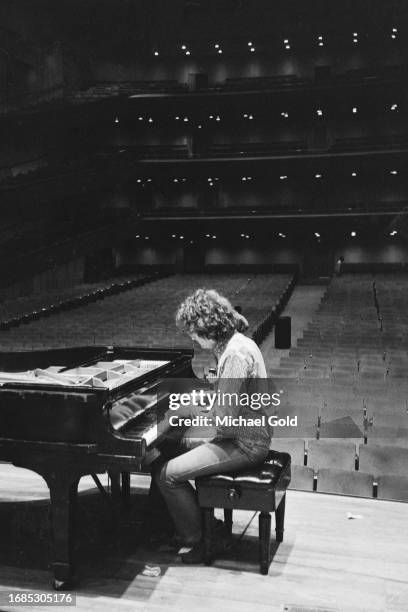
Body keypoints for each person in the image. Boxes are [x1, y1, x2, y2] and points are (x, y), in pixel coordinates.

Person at [153, 288, 272, 563]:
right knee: (169, 445)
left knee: (167, 474)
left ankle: (206, 538)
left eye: (192, 331)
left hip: (245, 443)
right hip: (242, 434)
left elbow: (226, 422)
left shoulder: (234, 355)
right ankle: (177, 524)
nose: (191, 338)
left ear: (206, 326)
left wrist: (185, 415)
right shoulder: (235, 344)